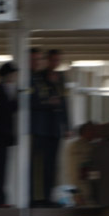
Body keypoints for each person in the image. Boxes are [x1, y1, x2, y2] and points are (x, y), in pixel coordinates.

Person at [30, 49, 70, 207]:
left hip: (55, 128)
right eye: (52, 60)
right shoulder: (38, 77)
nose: (55, 64)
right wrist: (49, 101)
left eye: (57, 61)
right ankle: (36, 198)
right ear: (48, 61)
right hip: (41, 128)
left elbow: (64, 103)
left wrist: (67, 126)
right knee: (39, 165)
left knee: (52, 165)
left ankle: (49, 196)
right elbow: (36, 101)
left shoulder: (61, 78)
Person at [0, 61, 18, 207]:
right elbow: (2, 112)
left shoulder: (7, 89)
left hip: (5, 136)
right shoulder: (1, 90)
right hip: (2, 135)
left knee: (4, 168)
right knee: (0, 168)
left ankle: (1, 198)